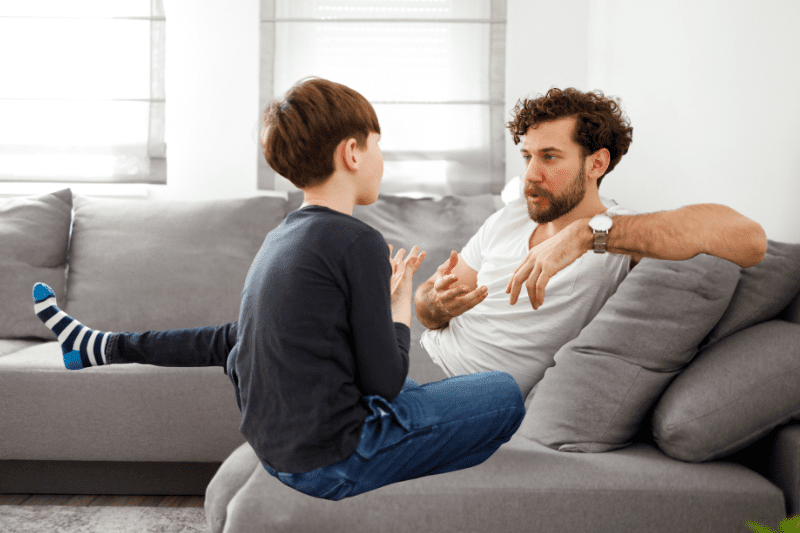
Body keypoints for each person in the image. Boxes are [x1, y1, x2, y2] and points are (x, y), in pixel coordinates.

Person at [31, 77, 526, 501]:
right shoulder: (358, 241)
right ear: (352, 152)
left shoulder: (281, 238)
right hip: (335, 462)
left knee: (414, 391)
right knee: (503, 394)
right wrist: (399, 305)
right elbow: (385, 383)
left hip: (278, 454)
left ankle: (99, 346)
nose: (382, 159)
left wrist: (113, 345)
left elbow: (233, 338)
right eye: (378, 145)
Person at [415, 87, 767, 397]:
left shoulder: (617, 239)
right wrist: (435, 304)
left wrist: (585, 234)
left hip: (462, 394)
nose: (530, 175)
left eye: (549, 157)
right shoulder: (510, 218)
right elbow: (427, 307)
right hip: (421, 360)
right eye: (527, 157)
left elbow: (750, 240)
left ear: (596, 164)